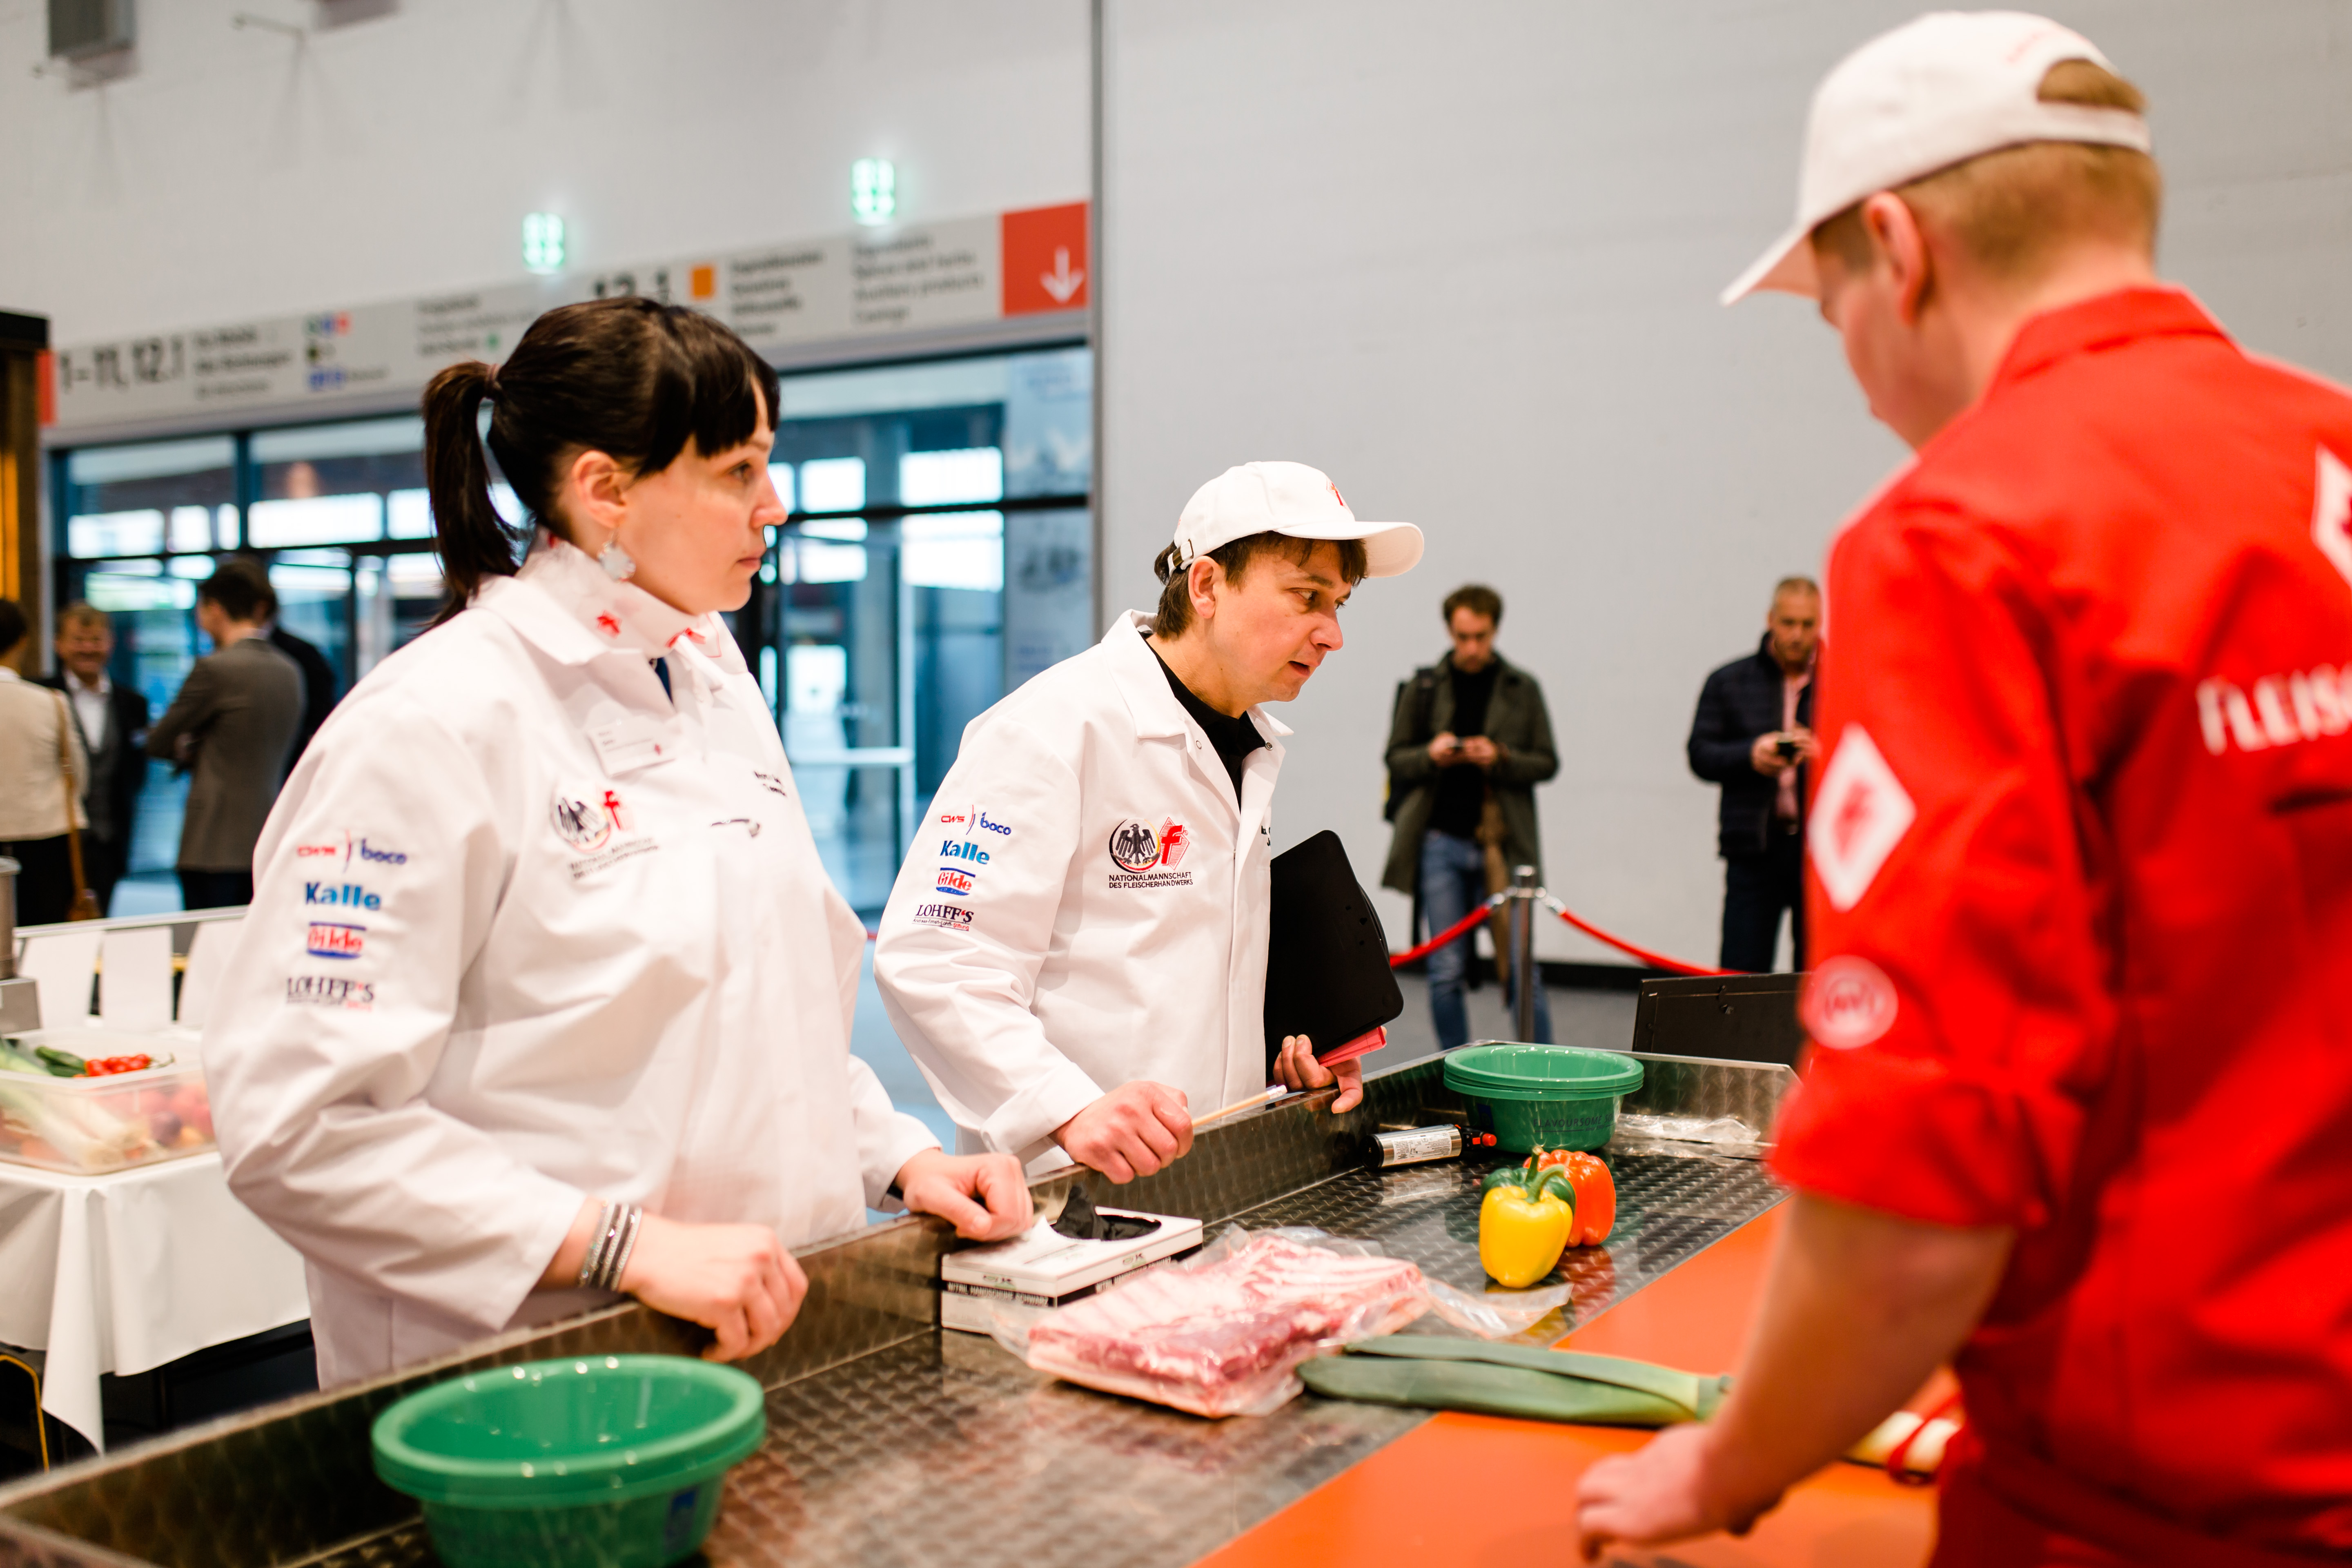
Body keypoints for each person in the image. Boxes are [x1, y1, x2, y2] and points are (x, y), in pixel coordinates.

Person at [1577, 15, 2352, 1564]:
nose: (1859, 381)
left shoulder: (1969, 536)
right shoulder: (2323, 457)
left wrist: (1726, 1464)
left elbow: (1917, 1200)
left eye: (1833, 320)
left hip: (2158, 1501)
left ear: (1895, 245)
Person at [204, 297, 1030, 1387]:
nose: (773, 508)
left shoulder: (708, 674)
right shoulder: (435, 721)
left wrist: (902, 1156)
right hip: (537, 1380)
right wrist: (620, 1245)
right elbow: (297, 1125)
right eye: (739, 472)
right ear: (607, 490)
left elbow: (771, 1009)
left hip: (776, 1332)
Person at [876, 462, 1421, 1181]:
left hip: (1213, 1178)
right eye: (1305, 596)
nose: (1331, 635)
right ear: (1206, 586)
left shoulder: (1247, 745)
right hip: (1072, 1200)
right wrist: (1067, 1108)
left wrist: (1289, 1058)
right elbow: (936, 958)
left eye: (1340, 604)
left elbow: (1177, 966)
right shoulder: (1053, 728)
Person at [1380, 584, 1559, 1047]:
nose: (1472, 647)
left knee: (1522, 970)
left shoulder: (1522, 688)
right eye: (1462, 637)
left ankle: (1541, 1067)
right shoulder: (1424, 687)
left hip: (1504, 845)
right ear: (1449, 631)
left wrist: (1499, 756)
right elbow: (1397, 758)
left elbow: (1547, 761)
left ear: (1494, 630)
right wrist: (1432, 754)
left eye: (1480, 636)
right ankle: (1456, 1071)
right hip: (1440, 842)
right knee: (1446, 969)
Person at [146, 560, 304, 911]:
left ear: (214, 609)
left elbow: (158, 741)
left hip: (212, 842)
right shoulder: (291, 671)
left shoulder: (214, 669)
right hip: (268, 833)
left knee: (206, 953)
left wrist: (188, 748)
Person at [1684, 578, 1820, 972]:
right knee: (1742, 973)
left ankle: (1805, 1039)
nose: (1797, 635)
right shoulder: (1730, 681)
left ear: (1821, 623)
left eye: (1808, 624)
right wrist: (1750, 754)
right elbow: (1700, 754)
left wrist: (1823, 754)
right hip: (1753, 848)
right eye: (1789, 622)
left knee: (1815, 975)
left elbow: (1875, 756)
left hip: (1818, 854)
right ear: (1770, 620)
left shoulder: (1846, 678)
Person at [38, 601, 150, 916]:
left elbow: (134, 771)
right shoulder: (41, 695)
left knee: (100, 928)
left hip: (109, 841)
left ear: (110, 644)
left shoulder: (134, 703)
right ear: (58, 644)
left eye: (96, 640)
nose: (88, 649)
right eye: (79, 640)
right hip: (53, 841)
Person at [0, 599, 91, 926]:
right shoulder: (50, 703)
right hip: (48, 840)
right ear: (23, 640)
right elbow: (79, 776)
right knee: (46, 937)